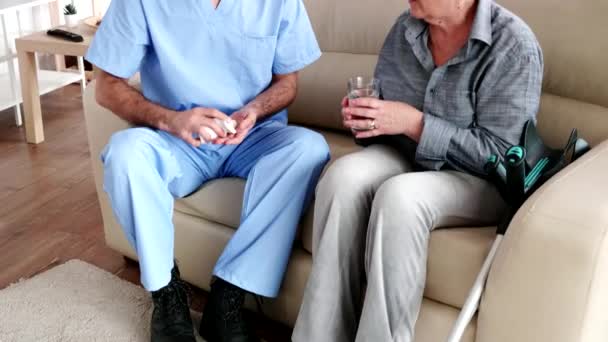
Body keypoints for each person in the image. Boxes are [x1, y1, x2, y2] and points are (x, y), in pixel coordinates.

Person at [292, 0, 543, 341]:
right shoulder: (406, 29)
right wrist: (367, 119)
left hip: (482, 181)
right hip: (406, 157)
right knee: (343, 178)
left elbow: (502, 156)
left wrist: (416, 124)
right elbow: (386, 110)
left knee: (400, 197)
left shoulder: (513, 44)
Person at [85, 0, 329, 341]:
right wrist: (173, 120)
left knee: (309, 148)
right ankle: (168, 294)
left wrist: (255, 110)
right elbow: (106, 86)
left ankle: (227, 297)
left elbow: (288, 82)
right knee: (125, 154)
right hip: (177, 140)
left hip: (253, 137)